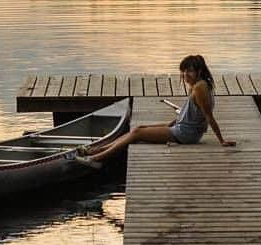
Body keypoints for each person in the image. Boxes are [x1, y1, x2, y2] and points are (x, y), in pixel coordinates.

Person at [78, 54, 236, 165]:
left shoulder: (199, 88)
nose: (185, 74)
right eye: (183, 71)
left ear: (198, 72)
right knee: (138, 129)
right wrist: (174, 121)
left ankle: (97, 157)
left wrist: (221, 140)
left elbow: (208, 116)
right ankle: (95, 150)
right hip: (183, 127)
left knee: (137, 134)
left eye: (189, 71)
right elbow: (194, 113)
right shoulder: (200, 84)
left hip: (186, 134)